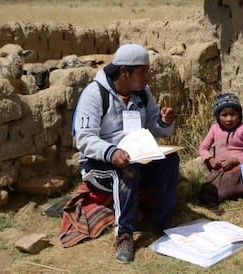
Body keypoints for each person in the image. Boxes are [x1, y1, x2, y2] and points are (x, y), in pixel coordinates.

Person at [72, 43, 179, 263]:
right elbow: (83, 139)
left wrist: (164, 121)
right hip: (99, 164)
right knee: (126, 169)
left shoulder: (142, 93)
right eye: (142, 72)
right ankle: (125, 235)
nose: (147, 77)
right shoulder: (95, 94)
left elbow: (152, 126)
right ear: (124, 72)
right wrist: (111, 152)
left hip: (137, 157)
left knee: (171, 160)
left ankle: (160, 222)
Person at [198, 92, 243, 207]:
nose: (229, 119)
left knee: (225, 190)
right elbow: (203, 148)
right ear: (217, 116)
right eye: (224, 115)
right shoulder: (214, 129)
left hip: (238, 169)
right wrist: (210, 158)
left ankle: (230, 193)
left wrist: (235, 160)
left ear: (239, 115)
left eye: (233, 114)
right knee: (205, 191)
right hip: (220, 169)